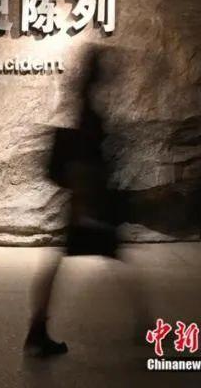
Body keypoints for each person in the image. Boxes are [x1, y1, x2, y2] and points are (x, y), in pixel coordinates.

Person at [24, 47, 146, 357]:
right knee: (114, 259)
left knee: (64, 262)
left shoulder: (81, 103)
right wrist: (88, 202)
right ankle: (146, 326)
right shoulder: (90, 113)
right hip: (89, 204)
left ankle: (37, 328)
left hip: (84, 203)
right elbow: (87, 160)